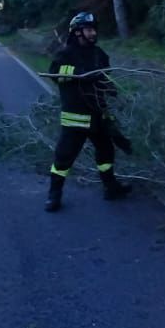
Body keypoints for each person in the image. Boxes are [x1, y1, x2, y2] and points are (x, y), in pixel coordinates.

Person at [42, 12, 132, 212]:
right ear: (77, 33)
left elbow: (105, 77)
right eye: (88, 30)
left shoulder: (98, 53)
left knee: (106, 152)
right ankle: (54, 195)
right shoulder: (65, 54)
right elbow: (57, 76)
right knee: (64, 157)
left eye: (93, 30)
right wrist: (80, 76)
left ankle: (110, 187)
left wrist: (110, 89)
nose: (93, 33)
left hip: (99, 115)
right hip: (76, 118)